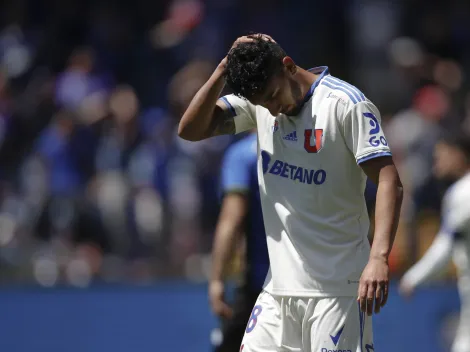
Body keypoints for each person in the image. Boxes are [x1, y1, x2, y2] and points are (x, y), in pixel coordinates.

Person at [179, 33, 403, 352]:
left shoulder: (345, 104)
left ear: (287, 66)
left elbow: (389, 180)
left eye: (272, 96)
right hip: (277, 292)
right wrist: (222, 70)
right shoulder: (257, 105)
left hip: (337, 291)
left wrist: (379, 257)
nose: (271, 110)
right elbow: (190, 130)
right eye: (261, 104)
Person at [399, 133, 470, 352]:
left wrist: (414, 277)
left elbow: (446, 247)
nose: (436, 161)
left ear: (459, 155)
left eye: (442, 155)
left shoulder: (462, 193)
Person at [210, 132, 269, 352]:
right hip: (308, 281)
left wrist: (217, 279)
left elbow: (231, 221)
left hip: (259, 286)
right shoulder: (304, 147)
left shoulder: (243, 155)